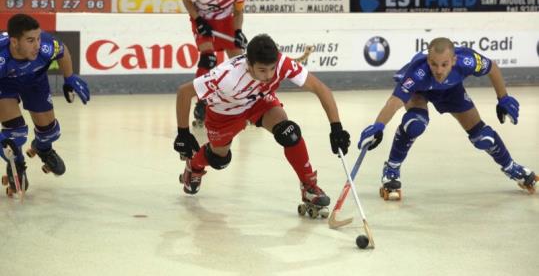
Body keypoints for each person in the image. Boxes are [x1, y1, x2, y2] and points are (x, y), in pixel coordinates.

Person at [174, 34, 351, 218]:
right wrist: (183, 133)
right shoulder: (226, 75)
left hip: (258, 102)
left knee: (289, 132)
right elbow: (184, 92)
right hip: (225, 113)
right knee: (219, 159)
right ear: (248, 64)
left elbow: (320, 88)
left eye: (272, 69)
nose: (268, 76)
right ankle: (193, 167)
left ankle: (309, 186)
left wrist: (336, 127)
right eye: (262, 70)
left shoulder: (282, 63)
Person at [358, 37, 537, 200]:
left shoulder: (468, 60)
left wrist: (503, 98)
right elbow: (395, 101)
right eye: (434, 64)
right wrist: (378, 126)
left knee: (483, 137)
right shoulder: (418, 72)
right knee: (415, 124)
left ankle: (512, 168)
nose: (438, 70)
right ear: (428, 60)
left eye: (444, 65)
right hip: (420, 91)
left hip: (452, 91)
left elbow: (492, 68)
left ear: (454, 60)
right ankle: (392, 169)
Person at [0, 14, 90, 195]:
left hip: (36, 82)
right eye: (30, 40)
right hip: (4, 85)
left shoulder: (46, 46)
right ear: (14, 42)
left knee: (51, 131)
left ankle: (43, 148)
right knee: (14, 135)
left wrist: (69, 77)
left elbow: (62, 51)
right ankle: (16, 163)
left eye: (38, 38)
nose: (37, 45)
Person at [182, 0, 248, 126]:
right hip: (202, 20)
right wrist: (198, 20)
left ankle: (242, 102)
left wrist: (238, 31)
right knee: (208, 59)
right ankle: (202, 103)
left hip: (226, 21)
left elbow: (238, 12)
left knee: (238, 62)